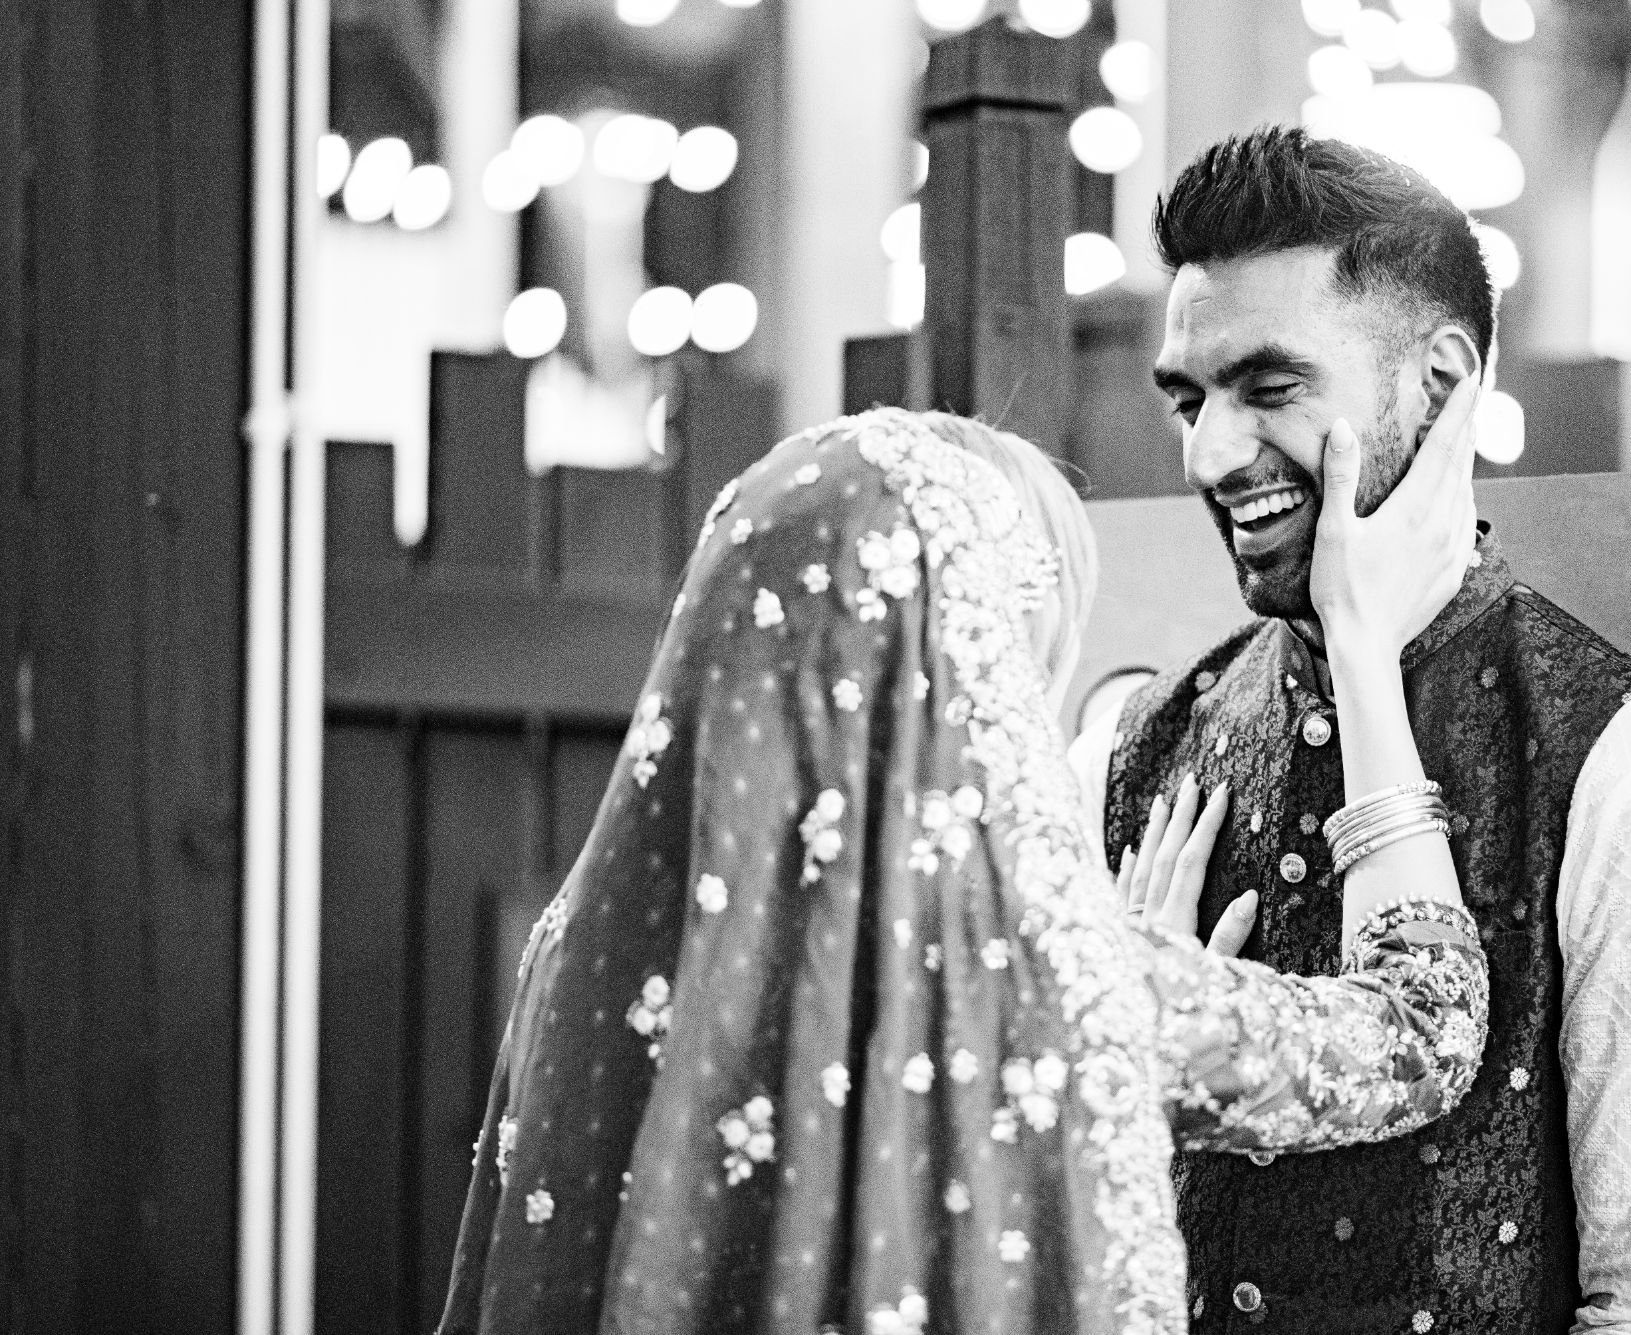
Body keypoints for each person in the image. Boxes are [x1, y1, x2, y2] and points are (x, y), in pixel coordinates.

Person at [437, 408, 1489, 1335]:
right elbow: (1420, 1031)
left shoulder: (580, 962)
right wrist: (1357, 640)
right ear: (973, 671)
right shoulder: (1040, 979)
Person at [1069, 127, 1631, 1334]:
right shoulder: (1128, 753)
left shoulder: (1630, 776)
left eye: (1269, 389)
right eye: (1189, 400)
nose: (1208, 454)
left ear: (1440, 385)